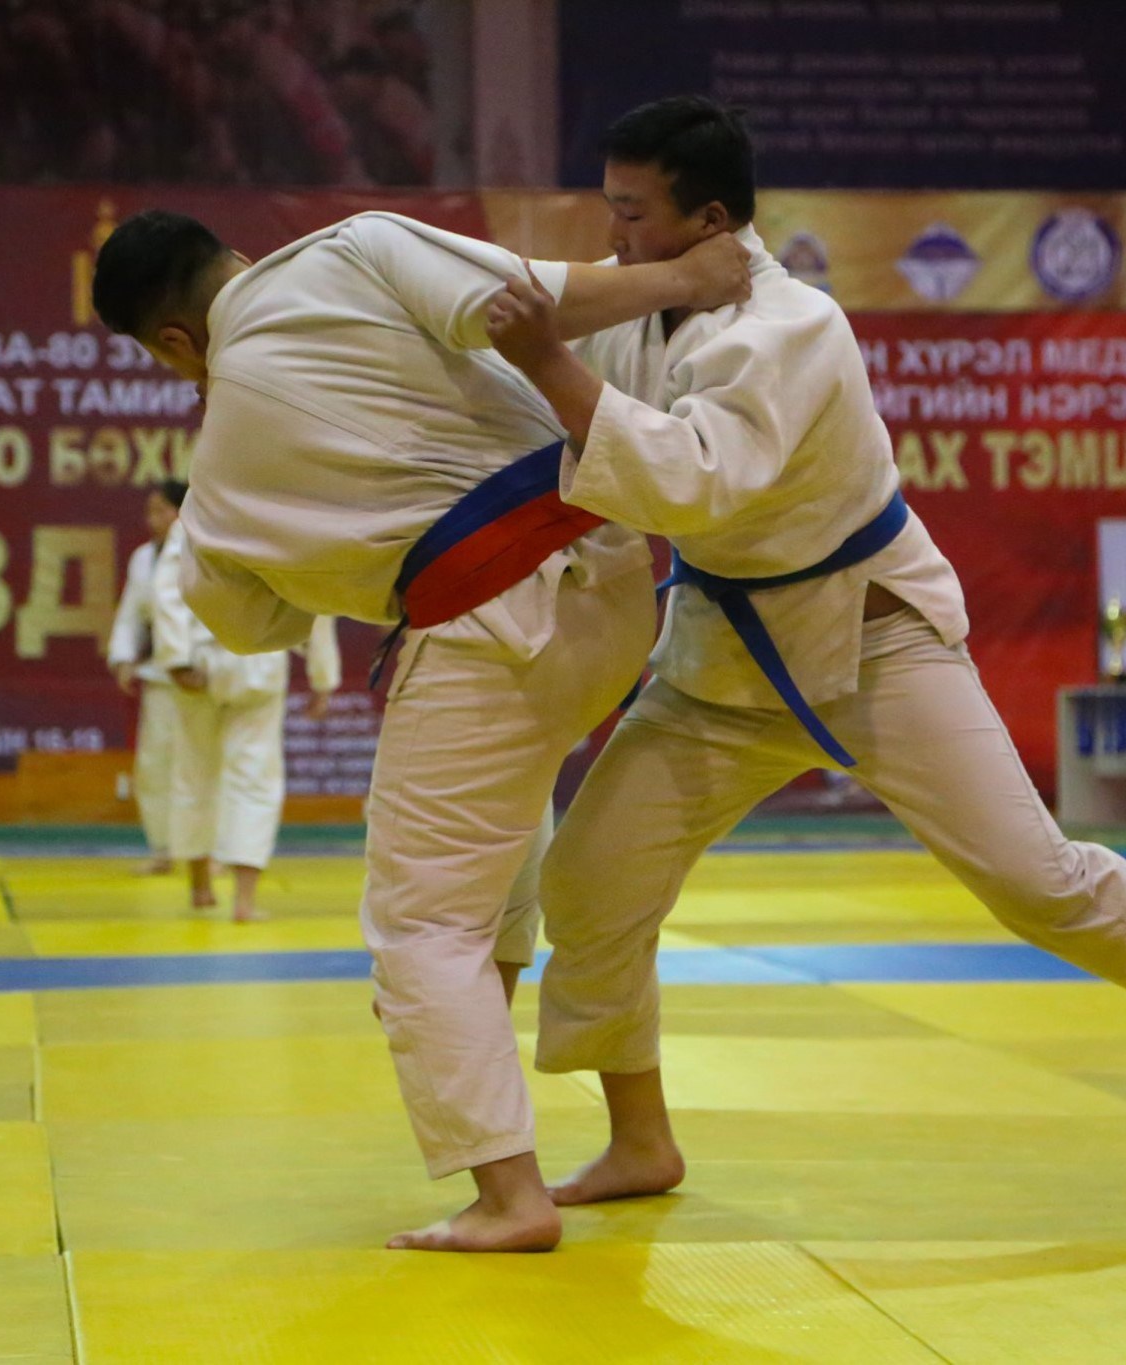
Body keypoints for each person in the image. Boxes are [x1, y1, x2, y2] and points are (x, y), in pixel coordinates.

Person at [482, 97, 1126, 1207]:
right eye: (609, 209)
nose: (613, 235)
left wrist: (547, 361)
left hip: (874, 642)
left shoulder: (793, 327)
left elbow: (690, 481)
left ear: (709, 220)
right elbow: (546, 335)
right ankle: (641, 1141)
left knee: (1031, 878)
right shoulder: (641, 310)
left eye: (632, 214)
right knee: (591, 882)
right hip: (722, 659)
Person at [91, 207, 750, 1251]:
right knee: (498, 873)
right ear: (237, 256)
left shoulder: (215, 475)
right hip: (617, 577)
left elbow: (255, 625)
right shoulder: (352, 248)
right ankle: (637, 1136)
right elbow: (535, 296)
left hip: (492, 636)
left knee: (420, 930)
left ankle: (509, 1197)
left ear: (173, 343)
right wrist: (686, 278)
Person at [146, 480, 288, 923]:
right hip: (260, 660)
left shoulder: (198, 510)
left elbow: (168, 589)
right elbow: (310, 595)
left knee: (194, 772)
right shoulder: (284, 514)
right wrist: (323, 673)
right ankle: (244, 900)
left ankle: (201, 888)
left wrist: (175, 658)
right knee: (255, 777)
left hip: (202, 661)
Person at [107, 482, 184, 874]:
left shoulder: (208, 553)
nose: (153, 519)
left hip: (206, 674)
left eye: (162, 510)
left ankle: (213, 853)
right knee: (154, 766)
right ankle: (163, 849)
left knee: (205, 767)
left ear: (182, 512)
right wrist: (124, 657)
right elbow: (131, 613)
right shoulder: (143, 558)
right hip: (160, 674)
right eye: (150, 511)